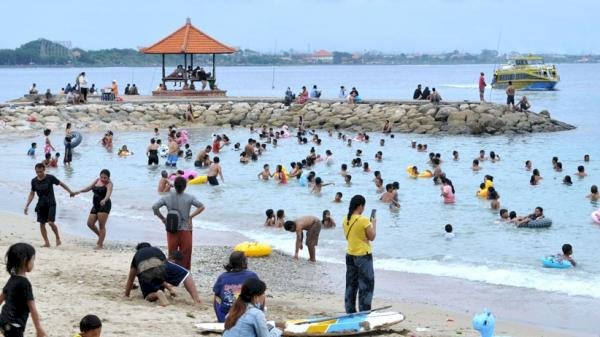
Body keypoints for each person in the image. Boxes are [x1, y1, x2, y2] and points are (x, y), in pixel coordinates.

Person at [124, 243, 202, 306]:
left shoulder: (137, 255)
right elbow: (162, 276)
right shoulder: (156, 249)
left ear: (138, 250)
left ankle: (157, 294)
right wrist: (170, 289)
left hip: (145, 270)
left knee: (147, 296)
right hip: (160, 265)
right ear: (150, 246)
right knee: (186, 274)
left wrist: (126, 295)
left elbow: (131, 279)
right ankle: (196, 300)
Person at [152, 177, 205, 269]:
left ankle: (172, 271)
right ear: (185, 186)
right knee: (186, 253)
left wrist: (163, 219)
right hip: (185, 229)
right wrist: (190, 216)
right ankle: (184, 273)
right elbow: (201, 206)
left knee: (172, 253)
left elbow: (155, 207)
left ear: (174, 185)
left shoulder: (166, 197)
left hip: (172, 229)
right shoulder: (190, 197)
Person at [0, 243, 46, 337]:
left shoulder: (12, 279)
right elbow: (32, 307)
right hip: (15, 325)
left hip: (3, 320)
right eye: (33, 260)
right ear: (25, 260)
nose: (33, 263)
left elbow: (2, 297)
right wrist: (38, 328)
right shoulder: (25, 283)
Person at [24, 163, 75, 247]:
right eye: (37, 172)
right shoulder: (34, 181)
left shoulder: (50, 178)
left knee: (51, 222)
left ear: (44, 170)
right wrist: (27, 205)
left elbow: (61, 184)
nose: (39, 174)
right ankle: (46, 242)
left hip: (51, 203)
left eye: (40, 171)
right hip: (41, 205)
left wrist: (70, 191)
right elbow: (32, 194)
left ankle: (57, 237)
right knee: (42, 223)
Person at [343, 195, 375, 313]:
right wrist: (374, 223)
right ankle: (364, 312)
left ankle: (350, 311)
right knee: (366, 285)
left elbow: (351, 237)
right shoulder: (364, 220)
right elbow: (372, 237)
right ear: (360, 206)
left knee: (351, 284)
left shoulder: (345, 220)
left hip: (350, 254)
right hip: (363, 256)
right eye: (363, 206)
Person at [213, 252, 259, 323]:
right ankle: (258, 319)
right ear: (243, 263)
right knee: (260, 294)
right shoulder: (252, 276)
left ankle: (221, 319)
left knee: (216, 296)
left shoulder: (222, 277)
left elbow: (216, 298)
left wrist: (221, 318)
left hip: (226, 317)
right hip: (246, 316)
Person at [73, 169, 113, 250]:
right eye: (102, 177)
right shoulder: (97, 180)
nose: (103, 179)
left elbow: (108, 193)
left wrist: (104, 200)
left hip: (104, 205)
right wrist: (79, 191)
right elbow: (89, 187)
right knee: (90, 223)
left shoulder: (109, 184)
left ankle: (100, 245)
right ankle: (100, 236)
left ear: (108, 178)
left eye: (105, 178)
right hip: (95, 205)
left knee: (101, 226)